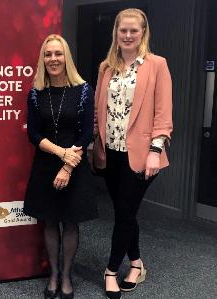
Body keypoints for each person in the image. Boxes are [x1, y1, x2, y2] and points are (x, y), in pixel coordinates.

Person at [88, 8, 173, 299]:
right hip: (110, 153)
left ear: (143, 33)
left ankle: (111, 271)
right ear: (116, 32)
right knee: (126, 212)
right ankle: (136, 263)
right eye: (122, 30)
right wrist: (93, 145)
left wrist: (154, 151)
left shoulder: (157, 65)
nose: (127, 35)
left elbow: (163, 115)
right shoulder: (105, 67)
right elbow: (99, 112)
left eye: (133, 31)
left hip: (141, 155)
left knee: (124, 213)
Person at [24, 34, 98, 299]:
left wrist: (68, 165)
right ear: (42, 59)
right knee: (50, 222)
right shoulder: (36, 92)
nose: (53, 59)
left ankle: (67, 275)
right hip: (45, 164)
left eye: (58, 53)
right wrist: (60, 153)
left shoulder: (84, 90)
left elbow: (87, 132)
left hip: (74, 167)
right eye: (48, 54)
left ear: (66, 57)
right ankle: (53, 274)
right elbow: (32, 133)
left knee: (71, 222)